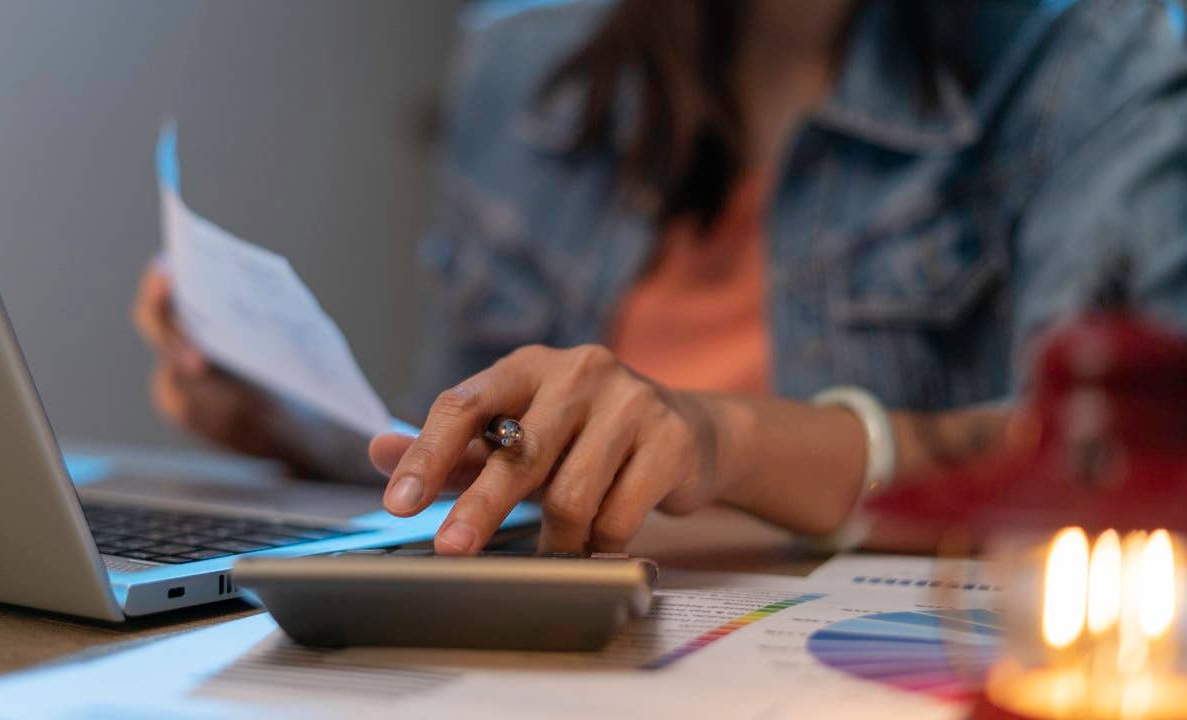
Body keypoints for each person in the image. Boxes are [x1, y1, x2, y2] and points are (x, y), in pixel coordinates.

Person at [133, 0, 1187, 555]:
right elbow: (473, 461)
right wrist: (280, 422)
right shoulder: (516, 66)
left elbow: (1105, 468)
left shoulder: (1087, 62)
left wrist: (721, 438)